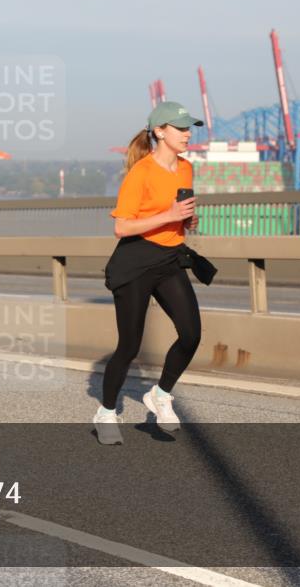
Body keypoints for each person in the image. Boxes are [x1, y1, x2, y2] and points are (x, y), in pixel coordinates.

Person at [95, 102, 209, 445]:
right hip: (135, 261)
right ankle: (107, 411)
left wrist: (186, 220)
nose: (188, 134)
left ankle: (160, 394)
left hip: (169, 259)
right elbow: (122, 227)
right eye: (181, 128)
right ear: (160, 131)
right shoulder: (141, 173)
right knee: (129, 345)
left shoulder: (186, 168)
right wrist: (168, 214)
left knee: (191, 334)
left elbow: (176, 215)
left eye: (190, 128)